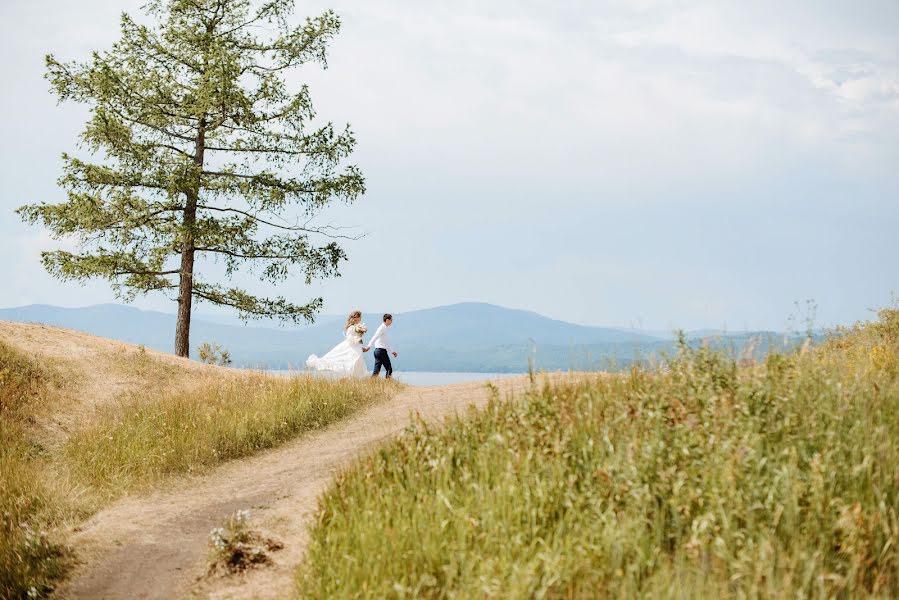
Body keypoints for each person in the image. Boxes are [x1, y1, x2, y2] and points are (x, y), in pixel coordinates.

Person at [305, 310, 368, 378]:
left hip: (357, 348)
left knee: (358, 362)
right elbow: (349, 338)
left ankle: (355, 378)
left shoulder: (357, 327)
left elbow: (355, 339)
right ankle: (349, 377)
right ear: (356, 318)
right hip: (352, 349)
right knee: (352, 362)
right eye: (360, 317)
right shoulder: (351, 327)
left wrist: (360, 345)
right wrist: (357, 338)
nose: (361, 318)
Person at [364, 313, 397, 379]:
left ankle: (372, 383)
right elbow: (375, 337)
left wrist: (392, 351)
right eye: (391, 320)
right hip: (381, 351)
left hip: (378, 351)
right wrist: (368, 346)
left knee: (377, 370)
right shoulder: (382, 328)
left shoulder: (384, 328)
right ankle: (389, 384)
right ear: (387, 320)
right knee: (389, 369)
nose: (392, 322)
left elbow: (386, 342)